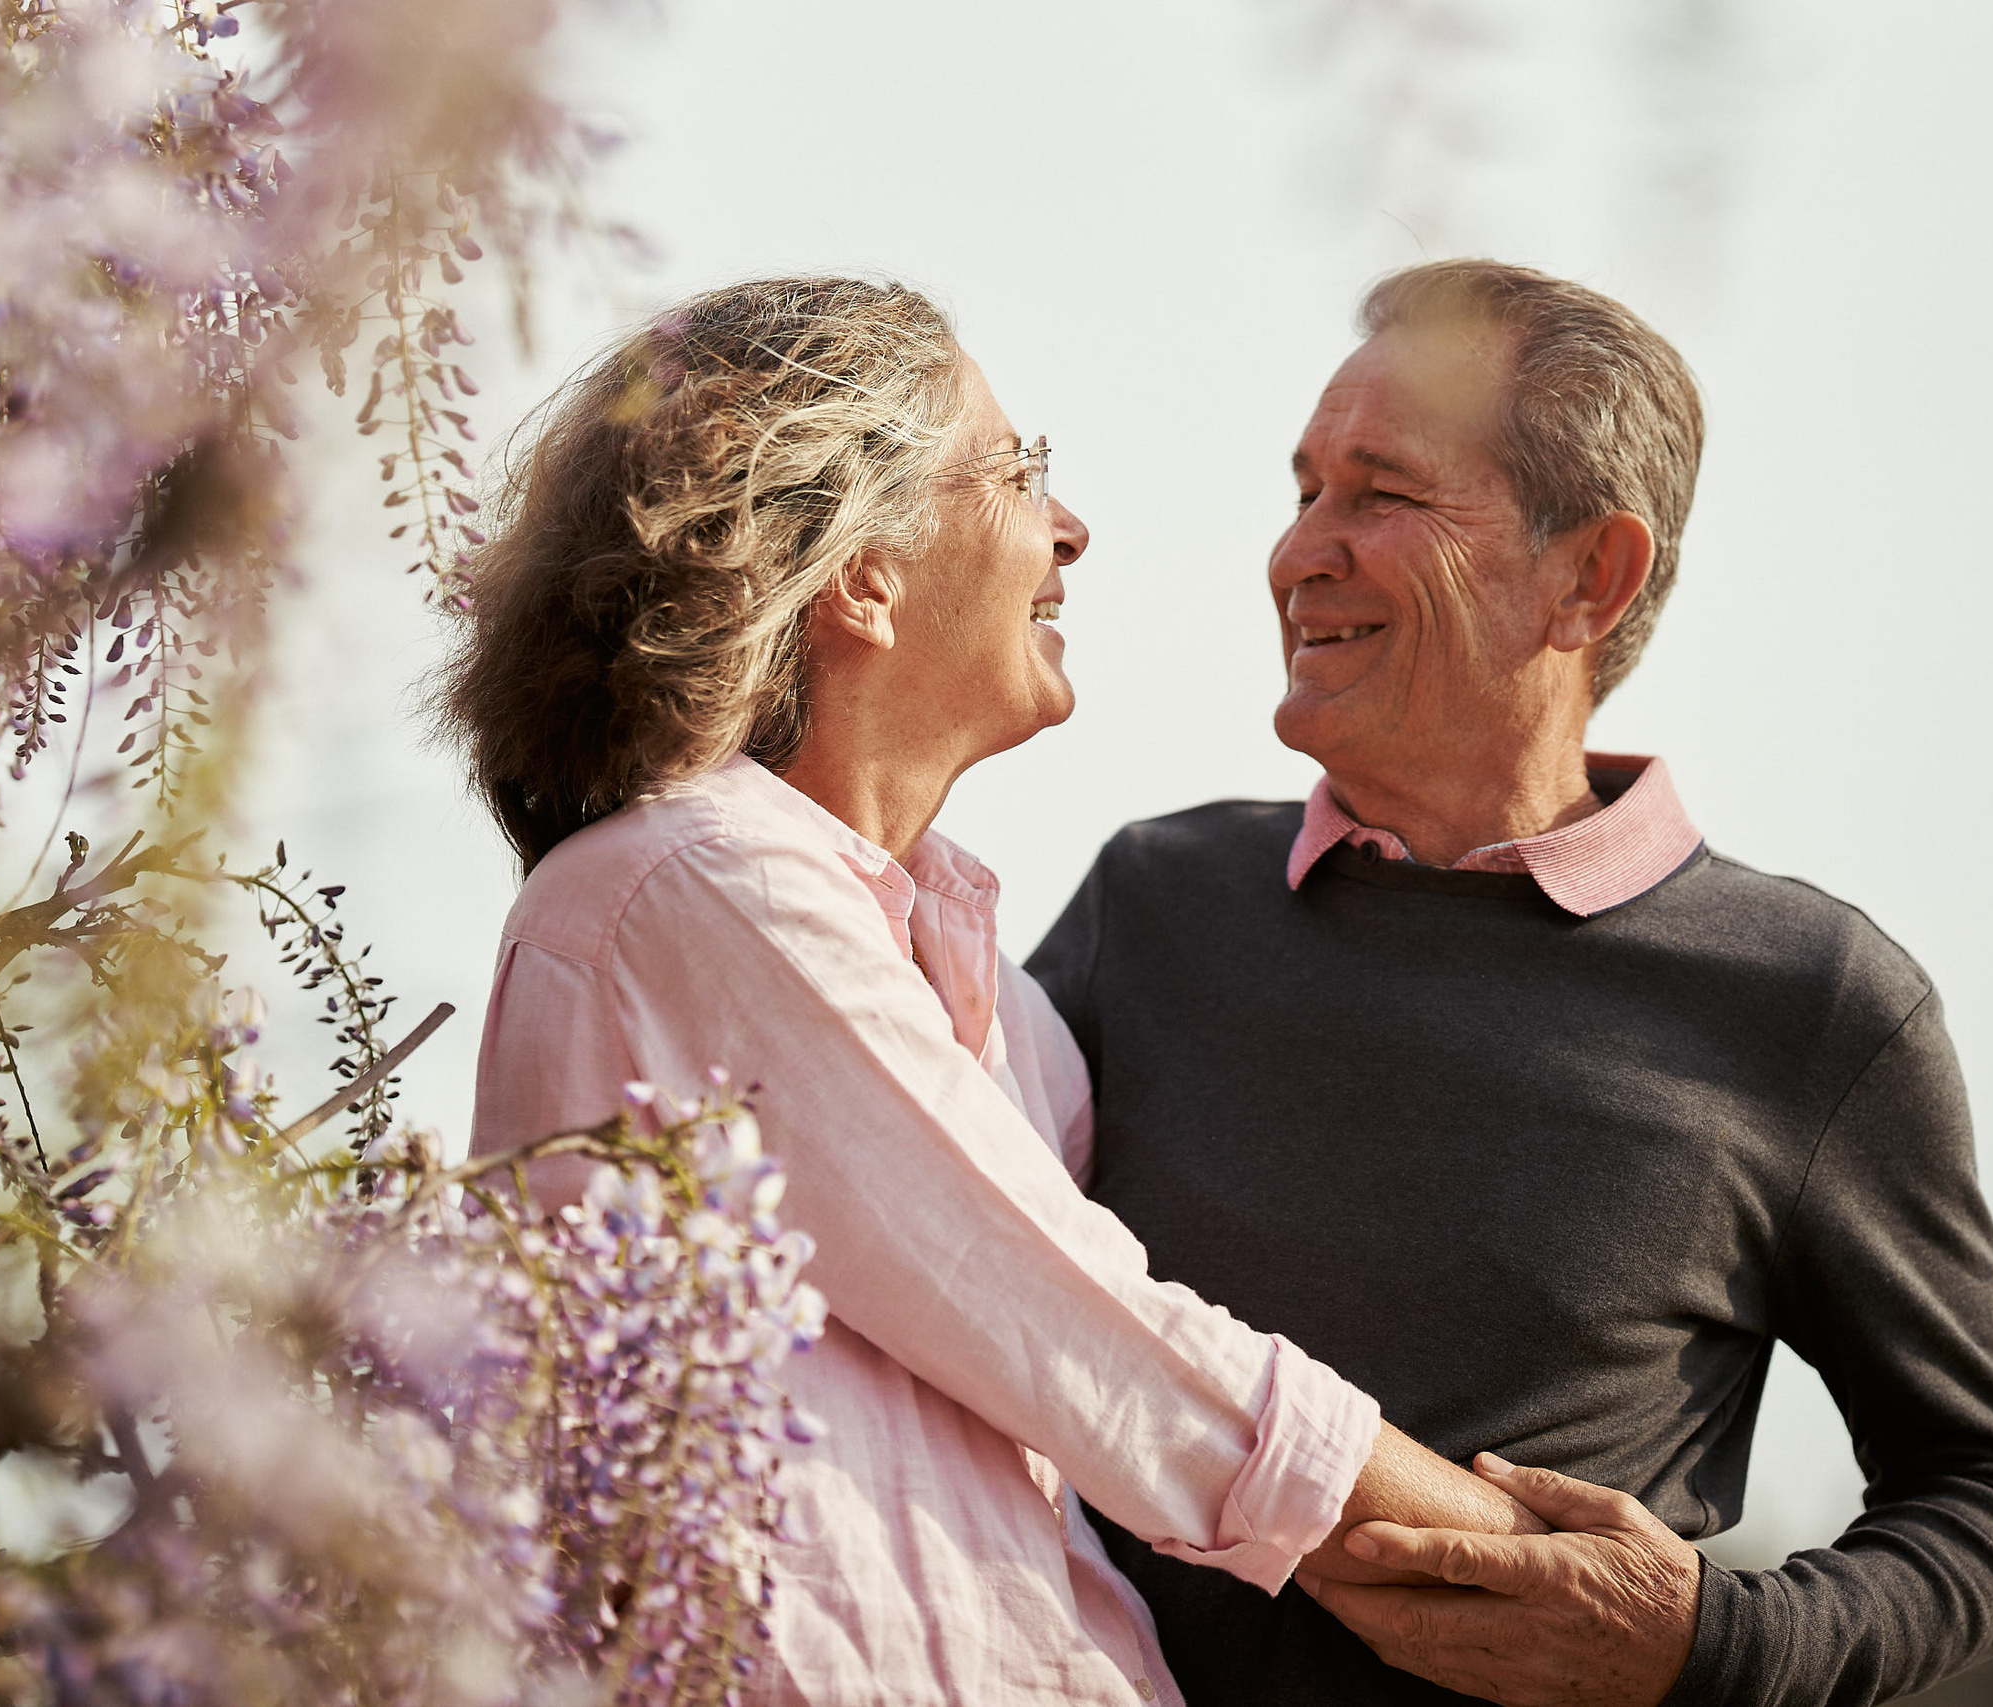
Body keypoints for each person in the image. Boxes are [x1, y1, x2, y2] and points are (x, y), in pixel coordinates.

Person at [439, 277, 1540, 1706]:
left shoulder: (988, 990)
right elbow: (1106, 1341)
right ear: (863, 576)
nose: (1068, 528)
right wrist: (1544, 1573)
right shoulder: (691, 883)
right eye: (1021, 473)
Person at [1026, 259, 1993, 1707]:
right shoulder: (1151, 903)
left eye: (1382, 495)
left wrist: (1707, 1643)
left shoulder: (1815, 1003)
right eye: (1305, 489)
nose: (1298, 553)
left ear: (1591, 575)